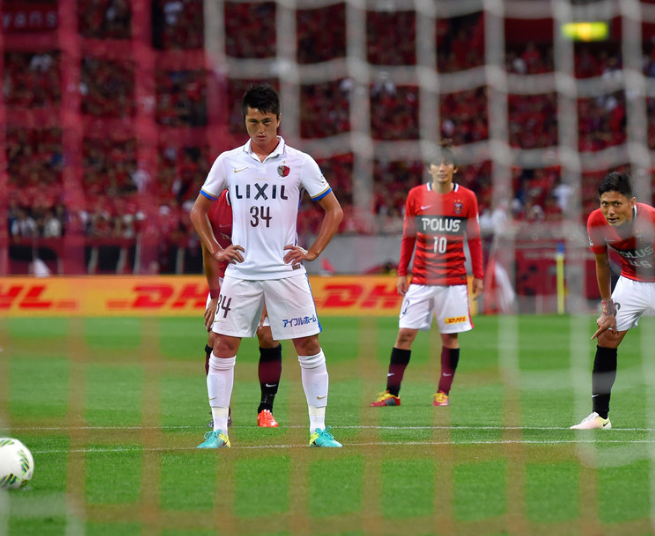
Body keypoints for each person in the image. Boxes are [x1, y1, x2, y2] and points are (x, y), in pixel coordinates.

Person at [190, 83, 343, 448]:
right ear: (245, 120)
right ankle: (219, 431)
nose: (260, 130)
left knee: (308, 343)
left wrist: (313, 251)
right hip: (241, 274)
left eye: (267, 122)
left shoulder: (300, 162)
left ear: (279, 120)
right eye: (253, 122)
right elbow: (198, 210)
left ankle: (318, 429)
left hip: (285, 272)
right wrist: (215, 249)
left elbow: (334, 210)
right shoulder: (228, 161)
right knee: (222, 345)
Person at [370, 139, 484, 408]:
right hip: (421, 279)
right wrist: (402, 272)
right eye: (436, 163)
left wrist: (479, 275)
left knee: (449, 337)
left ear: (455, 168)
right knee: (404, 334)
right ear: (429, 168)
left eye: (446, 163)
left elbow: (475, 239)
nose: (441, 168)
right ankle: (392, 393)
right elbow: (408, 236)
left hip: (453, 281)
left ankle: (443, 393)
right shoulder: (416, 195)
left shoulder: (467, 198)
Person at [571, 171, 655, 430]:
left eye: (617, 204)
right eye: (605, 203)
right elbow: (602, 264)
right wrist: (607, 309)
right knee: (607, 336)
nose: (610, 211)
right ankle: (600, 416)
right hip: (631, 282)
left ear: (632, 202)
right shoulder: (596, 221)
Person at [202, 189, 282, 429]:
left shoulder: (264, 204)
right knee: (216, 339)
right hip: (226, 278)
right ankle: (221, 412)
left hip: (261, 276)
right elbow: (208, 251)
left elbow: (274, 251)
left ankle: (266, 409)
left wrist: (268, 294)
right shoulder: (211, 205)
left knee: (268, 336)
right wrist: (214, 296)